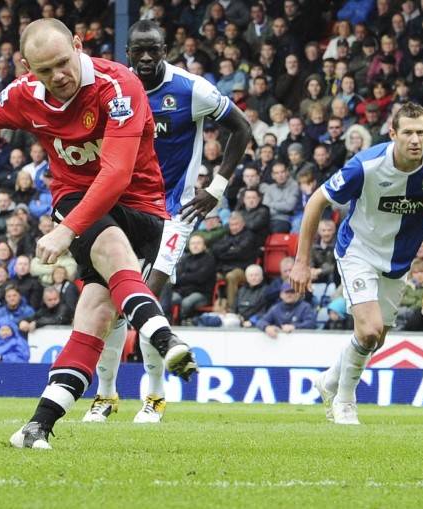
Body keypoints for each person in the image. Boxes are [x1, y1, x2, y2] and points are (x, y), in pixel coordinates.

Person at [0, 19, 196, 449]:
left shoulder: (118, 86)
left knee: (96, 314)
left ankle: (36, 426)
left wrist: (66, 231)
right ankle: (158, 338)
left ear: (78, 45)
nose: (59, 76)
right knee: (105, 273)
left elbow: (117, 174)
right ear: (28, 68)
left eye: (64, 63)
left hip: (141, 206)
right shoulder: (26, 94)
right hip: (76, 197)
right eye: (45, 70)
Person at [85, 20, 250, 424]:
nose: (145, 57)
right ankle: (105, 395)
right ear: (127, 53)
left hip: (173, 214)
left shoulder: (191, 90)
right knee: (111, 304)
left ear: (165, 50)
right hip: (123, 210)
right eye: (138, 50)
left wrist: (217, 187)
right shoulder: (114, 89)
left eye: (153, 50)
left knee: (144, 299)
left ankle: (155, 396)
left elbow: (241, 127)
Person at [290, 102, 423, 425]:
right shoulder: (365, 166)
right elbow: (316, 201)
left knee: (376, 338)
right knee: (368, 330)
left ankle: (329, 380)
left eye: (421, 132)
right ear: (392, 133)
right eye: (408, 132)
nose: (415, 140)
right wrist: (302, 261)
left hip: (398, 261)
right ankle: (344, 401)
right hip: (358, 251)